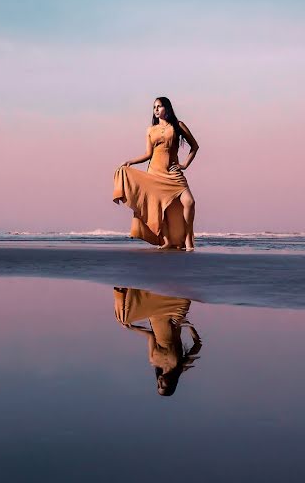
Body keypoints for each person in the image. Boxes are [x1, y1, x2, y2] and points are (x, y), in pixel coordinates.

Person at [113, 97, 200, 250]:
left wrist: (185, 165)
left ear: (167, 108)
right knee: (160, 208)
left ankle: (188, 239)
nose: (156, 110)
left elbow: (195, 146)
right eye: (154, 107)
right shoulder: (150, 130)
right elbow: (148, 154)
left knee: (189, 202)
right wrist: (130, 162)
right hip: (155, 172)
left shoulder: (178, 126)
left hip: (173, 172)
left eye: (159, 106)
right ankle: (166, 241)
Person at [113, 287, 202, 396]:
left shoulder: (153, 361)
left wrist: (133, 328)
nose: (159, 383)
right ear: (171, 384)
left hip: (155, 315)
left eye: (158, 386)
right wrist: (189, 326)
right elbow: (198, 344)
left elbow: (150, 336)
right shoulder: (180, 367)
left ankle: (124, 285)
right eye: (162, 386)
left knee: (123, 319)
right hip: (173, 312)